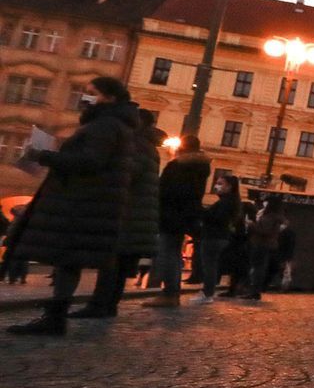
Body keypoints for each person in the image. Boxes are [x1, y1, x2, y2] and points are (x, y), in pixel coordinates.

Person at [6, 77, 139, 336]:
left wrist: (44, 156)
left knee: (68, 259)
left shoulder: (106, 125)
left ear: (109, 97)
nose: (85, 97)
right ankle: (55, 317)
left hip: (83, 202)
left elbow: (90, 161)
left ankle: (55, 319)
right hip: (88, 202)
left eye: (92, 93)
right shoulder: (110, 124)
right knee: (69, 261)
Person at [77, 107, 162, 318]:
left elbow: (127, 173)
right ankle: (109, 305)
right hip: (135, 213)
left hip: (127, 212)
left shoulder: (137, 145)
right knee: (121, 264)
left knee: (112, 262)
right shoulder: (148, 145)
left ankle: (100, 305)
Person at [148, 136, 211, 308]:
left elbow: (168, 191)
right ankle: (171, 292)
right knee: (173, 253)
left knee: (167, 253)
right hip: (185, 215)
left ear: (182, 148)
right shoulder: (200, 167)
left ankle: (170, 293)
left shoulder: (179, 166)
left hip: (171, 215)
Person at [195, 175, 242, 300]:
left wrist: (202, 212)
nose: (216, 186)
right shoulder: (230, 201)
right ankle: (208, 292)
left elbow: (216, 218)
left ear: (229, 186)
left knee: (209, 266)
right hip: (220, 237)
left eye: (220, 183)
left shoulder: (225, 202)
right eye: (217, 183)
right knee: (211, 265)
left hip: (213, 236)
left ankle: (207, 293)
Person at [240, 196, 281, 299]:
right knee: (259, 268)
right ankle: (254, 291)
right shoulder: (275, 215)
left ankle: (254, 291)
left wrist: (251, 224)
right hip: (265, 244)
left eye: (266, 201)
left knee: (258, 268)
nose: (264, 203)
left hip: (261, 244)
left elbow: (264, 230)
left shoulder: (270, 216)